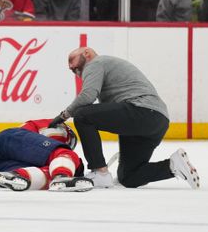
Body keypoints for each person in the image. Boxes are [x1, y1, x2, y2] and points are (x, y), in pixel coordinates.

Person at [49, 47, 200, 189]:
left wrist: (64, 115)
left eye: (72, 59)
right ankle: (172, 165)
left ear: (87, 53)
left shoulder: (95, 63)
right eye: (70, 68)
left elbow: (88, 96)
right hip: (157, 120)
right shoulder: (104, 67)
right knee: (129, 177)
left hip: (142, 110)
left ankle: (99, 172)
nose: (70, 66)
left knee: (82, 115)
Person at [0, 119, 92, 192]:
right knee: (65, 154)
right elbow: (51, 139)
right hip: (10, 140)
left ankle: (17, 176)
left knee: (46, 173)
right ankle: (61, 176)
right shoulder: (61, 129)